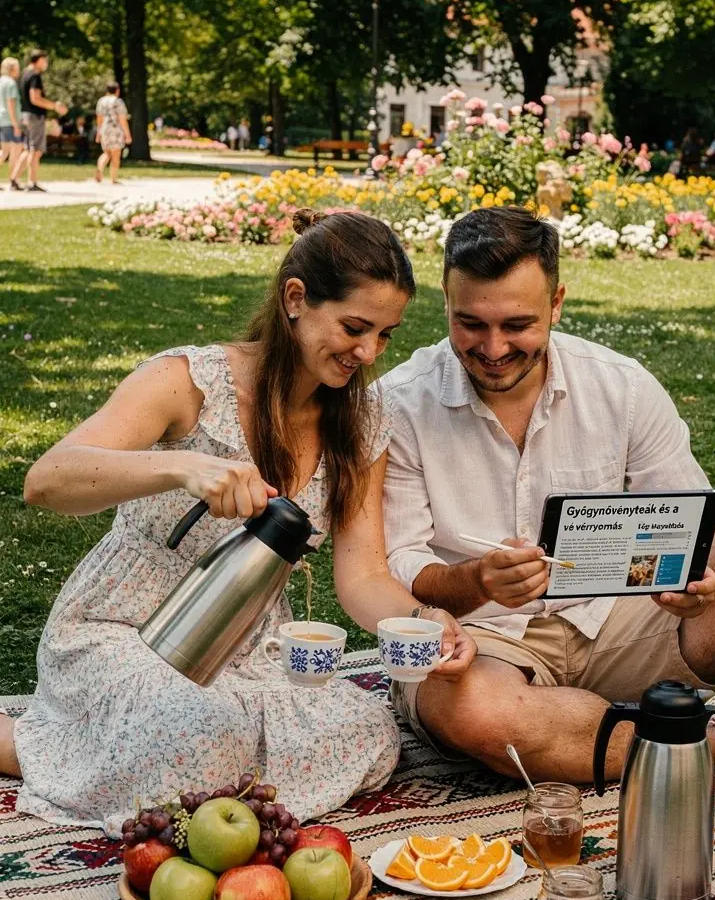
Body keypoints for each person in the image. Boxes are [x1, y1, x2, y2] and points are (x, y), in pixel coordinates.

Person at [1, 210, 474, 833]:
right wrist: (181, 469)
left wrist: (424, 620)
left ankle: (144, 753)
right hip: (127, 626)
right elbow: (48, 480)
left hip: (249, 642)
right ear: (296, 299)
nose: (368, 353)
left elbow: (362, 574)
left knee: (367, 730)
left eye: (385, 335)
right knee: (193, 733)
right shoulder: (187, 382)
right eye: (355, 327)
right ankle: (27, 743)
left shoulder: (360, 422)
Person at [379, 206, 715, 804]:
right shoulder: (399, 403)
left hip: (619, 621)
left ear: (557, 303)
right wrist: (475, 580)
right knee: (478, 714)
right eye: (470, 323)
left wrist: (701, 569)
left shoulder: (621, 385)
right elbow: (398, 561)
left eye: (518, 324)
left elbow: (712, 521)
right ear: (447, 303)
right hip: (486, 641)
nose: (494, 347)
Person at [20, 49, 67, 192]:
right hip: (34, 116)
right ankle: (32, 182)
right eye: (45, 60)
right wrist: (55, 106)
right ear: (39, 60)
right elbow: (35, 98)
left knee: (29, 149)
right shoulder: (35, 76)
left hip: (25, 115)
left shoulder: (24, 74)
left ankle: (15, 179)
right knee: (35, 150)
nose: (46, 63)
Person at [94, 82, 132, 184]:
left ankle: (100, 168)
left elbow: (99, 118)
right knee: (116, 154)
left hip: (105, 128)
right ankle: (113, 178)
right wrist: (128, 135)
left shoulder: (101, 101)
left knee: (106, 152)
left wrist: (99, 132)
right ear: (117, 90)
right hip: (116, 129)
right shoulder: (118, 102)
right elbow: (122, 119)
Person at [0, 57, 26, 190]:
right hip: (10, 120)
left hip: (2, 119)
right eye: (17, 67)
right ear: (12, 69)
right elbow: (11, 104)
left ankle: (13, 180)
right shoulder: (10, 83)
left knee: (4, 151)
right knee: (16, 150)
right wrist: (16, 125)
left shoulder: (1, 81)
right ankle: (13, 180)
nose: (19, 70)